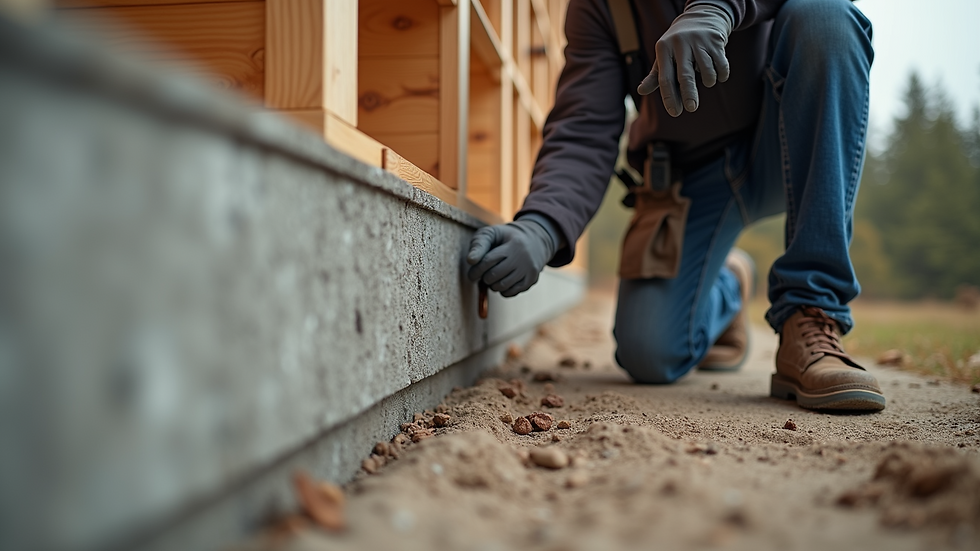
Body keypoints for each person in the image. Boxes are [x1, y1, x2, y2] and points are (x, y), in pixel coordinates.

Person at [465, 0, 886, 411]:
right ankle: (728, 287)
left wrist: (718, 6)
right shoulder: (600, 7)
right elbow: (583, 128)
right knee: (649, 352)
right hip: (688, 177)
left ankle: (811, 313)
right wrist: (542, 225)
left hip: (783, 141)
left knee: (827, 18)